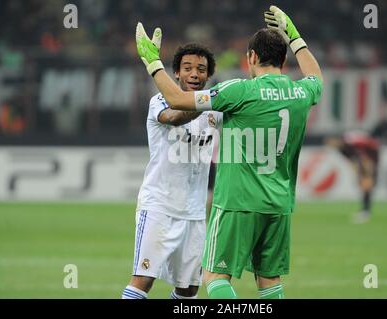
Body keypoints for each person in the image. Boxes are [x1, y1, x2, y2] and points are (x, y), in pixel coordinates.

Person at [135, 5, 323, 299]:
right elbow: (316, 78)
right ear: (284, 59)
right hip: (279, 203)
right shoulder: (301, 92)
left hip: (238, 200)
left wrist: (152, 64)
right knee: (269, 281)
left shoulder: (239, 91)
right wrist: (295, 38)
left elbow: (177, 99)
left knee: (215, 276)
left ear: (252, 57)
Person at [122, 43, 221, 299]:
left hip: (195, 213)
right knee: (143, 280)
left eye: (201, 69)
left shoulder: (216, 111)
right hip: (159, 207)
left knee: (188, 289)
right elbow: (175, 117)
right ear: (175, 73)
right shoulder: (160, 101)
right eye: (187, 68)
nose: (194, 74)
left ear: (208, 75)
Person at [326, 131, 380, 223]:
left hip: (371, 152)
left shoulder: (348, 142)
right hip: (364, 156)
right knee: (364, 184)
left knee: (367, 183)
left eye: (331, 142)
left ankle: (366, 212)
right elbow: (352, 160)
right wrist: (358, 171)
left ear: (336, 140)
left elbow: (362, 151)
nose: (331, 145)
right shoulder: (341, 149)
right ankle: (365, 211)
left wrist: (366, 165)